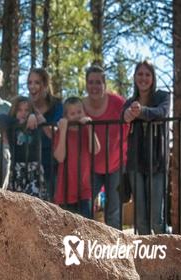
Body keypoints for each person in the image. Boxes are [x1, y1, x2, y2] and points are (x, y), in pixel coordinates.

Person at [123, 60, 170, 234]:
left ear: (153, 77)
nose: (143, 78)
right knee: (141, 221)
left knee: (157, 220)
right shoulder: (130, 102)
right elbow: (123, 116)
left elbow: (161, 112)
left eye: (147, 74)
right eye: (140, 74)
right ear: (134, 77)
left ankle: (164, 258)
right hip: (135, 164)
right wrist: (127, 114)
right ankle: (146, 259)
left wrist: (141, 111)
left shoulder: (163, 97)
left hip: (157, 163)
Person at [82, 65, 128, 229]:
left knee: (113, 212)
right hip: (91, 166)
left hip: (115, 163)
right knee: (84, 207)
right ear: (86, 84)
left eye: (98, 82)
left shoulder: (118, 103)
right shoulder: (81, 106)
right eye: (91, 82)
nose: (94, 86)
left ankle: (116, 251)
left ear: (104, 84)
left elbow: (128, 128)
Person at [53, 97, 100, 218]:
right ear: (66, 116)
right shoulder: (61, 132)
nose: (77, 116)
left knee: (87, 227)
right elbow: (60, 157)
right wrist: (63, 131)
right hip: (65, 190)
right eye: (73, 113)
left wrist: (90, 128)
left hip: (85, 189)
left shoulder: (86, 130)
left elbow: (95, 149)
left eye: (80, 112)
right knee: (67, 230)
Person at [0, 96, 46, 198]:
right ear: (14, 111)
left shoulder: (35, 124)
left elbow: (44, 121)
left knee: (35, 199)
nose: (23, 113)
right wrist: (19, 122)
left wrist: (33, 115)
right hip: (17, 167)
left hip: (34, 167)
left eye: (27, 110)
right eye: (19, 110)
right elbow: (1, 117)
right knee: (17, 200)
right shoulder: (12, 126)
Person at [26, 68, 63, 201]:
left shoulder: (57, 106)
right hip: (30, 166)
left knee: (53, 204)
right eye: (29, 83)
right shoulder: (25, 106)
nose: (32, 86)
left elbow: (55, 134)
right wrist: (29, 114)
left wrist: (39, 118)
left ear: (45, 85)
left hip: (53, 165)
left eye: (37, 82)